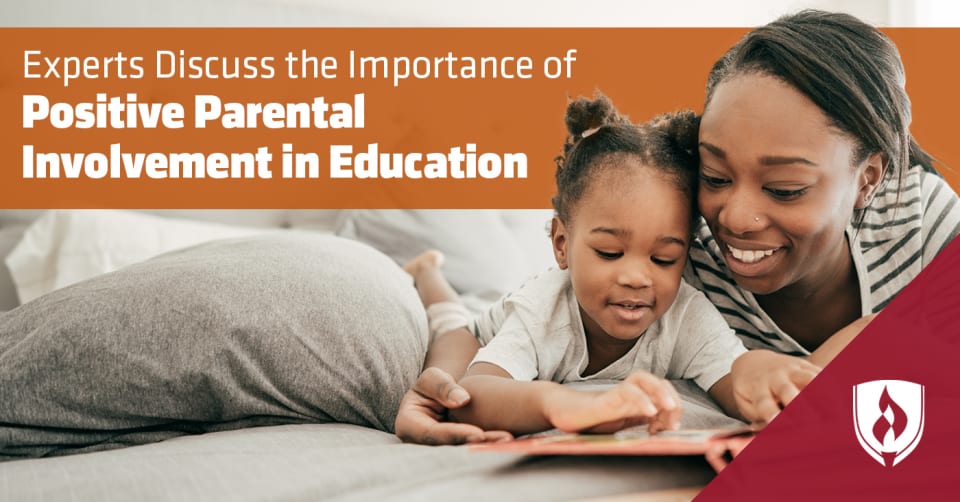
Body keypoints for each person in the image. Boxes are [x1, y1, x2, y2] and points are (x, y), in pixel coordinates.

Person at [394, 10, 960, 444]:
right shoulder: (680, 252)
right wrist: (442, 385)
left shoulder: (919, 217)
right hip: (504, 307)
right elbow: (511, 338)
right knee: (466, 300)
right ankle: (427, 274)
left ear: (867, 180)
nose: (734, 219)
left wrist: (862, 343)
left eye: (785, 188)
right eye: (714, 176)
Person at [402, 96, 752, 437]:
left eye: (663, 259)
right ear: (562, 244)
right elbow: (473, 394)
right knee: (450, 327)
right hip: (477, 333)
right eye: (610, 252)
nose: (635, 278)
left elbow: (740, 383)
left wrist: (775, 377)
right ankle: (426, 271)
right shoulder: (544, 312)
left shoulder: (688, 316)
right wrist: (562, 403)